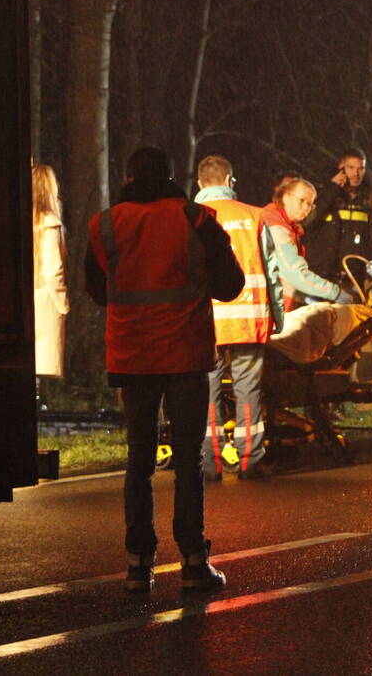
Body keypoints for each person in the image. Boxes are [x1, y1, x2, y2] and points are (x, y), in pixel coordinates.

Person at [84, 146, 244, 592]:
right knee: (189, 460)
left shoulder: (106, 224)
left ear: (129, 178)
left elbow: (96, 289)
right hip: (185, 355)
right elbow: (230, 285)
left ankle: (138, 564)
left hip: (133, 357)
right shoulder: (196, 219)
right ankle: (193, 562)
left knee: (139, 458)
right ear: (172, 176)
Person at [194, 155, 283, 480]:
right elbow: (272, 272)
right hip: (249, 318)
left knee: (207, 393)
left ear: (200, 183)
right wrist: (278, 316)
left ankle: (210, 463)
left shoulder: (193, 217)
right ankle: (250, 461)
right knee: (248, 391)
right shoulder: (255, 216)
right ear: (230, 180)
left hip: (206, 323)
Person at [262, 177, 352, 312]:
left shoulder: (287, 226)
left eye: (310, 204)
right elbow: (295, 273)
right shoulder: (276, 227)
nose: (306, 208)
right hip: (265, 308)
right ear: (285, 197)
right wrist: (336, 293)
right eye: (302, 201)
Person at [303, 148, 372, 288]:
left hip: (356, 278)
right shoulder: (325, 195)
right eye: (351, 168)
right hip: (323, 276)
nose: (356, 173)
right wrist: (332, 188)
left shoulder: (368, 201)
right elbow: (309, 221)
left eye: (361, 168)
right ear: (341, 168)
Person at [32, 164, 69, 380]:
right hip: (47, 301)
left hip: (32, 298)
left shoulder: (30, 222)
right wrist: (63, 303)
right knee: (44, 363)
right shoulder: (49, 224)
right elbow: (54, 269)